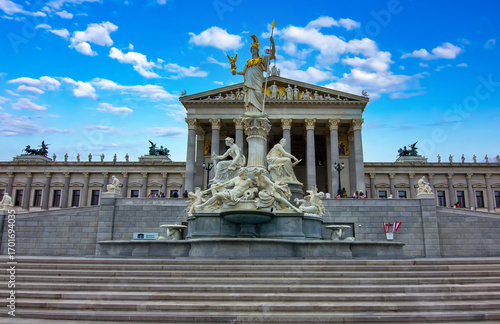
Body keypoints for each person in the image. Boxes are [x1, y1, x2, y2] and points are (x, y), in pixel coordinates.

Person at [232, 34, 275, 114]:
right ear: (251, 51)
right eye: (252, 49)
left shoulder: (261, 59)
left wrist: (273, 43)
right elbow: (243, 72)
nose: (253, 50)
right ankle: (252, 112)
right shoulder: (248, 62)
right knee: (250, 97)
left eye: (254, 48)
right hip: (250, 83)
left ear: (257, 50)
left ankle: (259, 111)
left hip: (257, 81)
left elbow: (271, 56)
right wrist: (236, 72)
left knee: (258, 94)